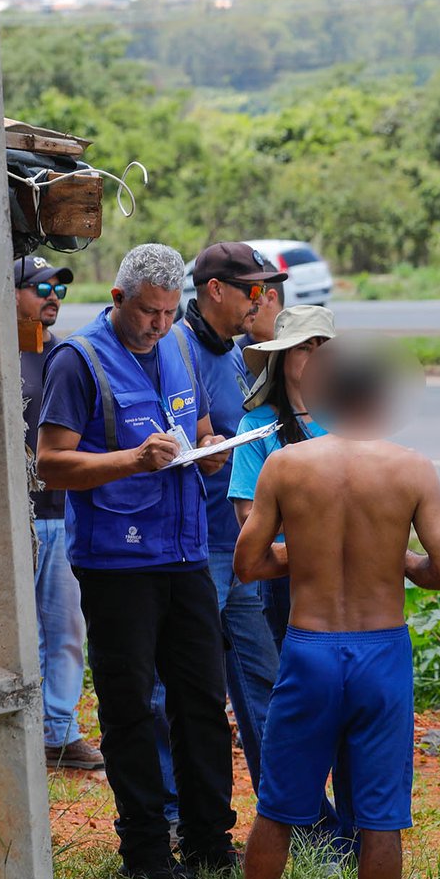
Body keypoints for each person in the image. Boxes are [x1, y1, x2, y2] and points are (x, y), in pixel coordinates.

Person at [226, 338, 440, 879]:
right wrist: (392, 560)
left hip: (310, 647)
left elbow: (248, 565)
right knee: (379, 816)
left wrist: (306, 554)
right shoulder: (412, 468)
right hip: (381, 651)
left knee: (279, 807)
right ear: (382, 398)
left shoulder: (286, 466)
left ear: (325, 396)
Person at [36, 243, 237, 879]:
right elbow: (52, 463)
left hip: (184, 551)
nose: (160, 324)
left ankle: (209, 839)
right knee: (129, 709)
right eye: (149, 312)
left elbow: (198, 422)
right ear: (119, 299)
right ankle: (146, 851)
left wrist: (209, 450)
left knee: (203, 700)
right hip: (117, 563)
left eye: (171, 311)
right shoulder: (80, 359)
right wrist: (130, 460)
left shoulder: (179, 344)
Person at [227, 304, 356, 852]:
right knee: (295, 704)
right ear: (283, 359)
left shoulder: (351, 418)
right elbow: (247, 525)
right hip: (286, 590)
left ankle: (352, 824)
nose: (318, 358)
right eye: (306, 347)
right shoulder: (257, 429)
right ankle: (304, 820)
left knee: (352, 706)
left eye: (325, 347)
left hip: (353, 594)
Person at [179, 241, 288, 786]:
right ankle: (179, 813)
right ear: (215, 290)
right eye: (252, 291)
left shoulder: (240, 352)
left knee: (262, 677)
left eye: (266, 290)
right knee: (188, 685)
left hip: (243, 545)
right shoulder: (178, 347)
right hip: (200, 548)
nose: (261, 300)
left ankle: (290, 807)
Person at [16, 254, 103, 771]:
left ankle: (60, 732)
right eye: (40, 286)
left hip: (64, 513)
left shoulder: (67, 356)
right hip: (18, 517)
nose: (52, 296)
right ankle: (16, 730)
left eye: (60, 289)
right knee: (18, 632)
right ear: (11, 292)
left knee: (68, 629)